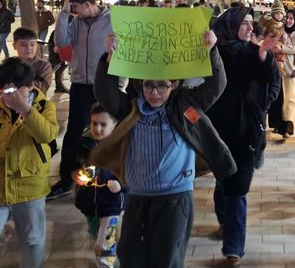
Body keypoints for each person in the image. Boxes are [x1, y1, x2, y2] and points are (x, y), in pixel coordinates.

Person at [92, 29, 233, 267]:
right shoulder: (131, 109)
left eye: (161, 87)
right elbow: (104, 91)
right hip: (137, 197)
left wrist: (211, 50)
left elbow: (217, 85)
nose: (154, 93)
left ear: (174, 85)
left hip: (175, 198)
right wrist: (109, 56)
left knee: (165, 260)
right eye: (148, 86)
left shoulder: (186, 105)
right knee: (130, 256)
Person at [0, 58, 59, 268]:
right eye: (3, 90)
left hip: (29, 188)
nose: (9, 97)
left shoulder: (44, 107)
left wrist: (25, 108)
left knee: (33, 242)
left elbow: (47, 134)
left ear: (30, 86)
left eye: (15, 91)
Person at [209, 7, 281, 265]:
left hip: (247, 130)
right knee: (222, 182)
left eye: (252, 23)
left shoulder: (253, 51)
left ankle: (233, 248)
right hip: (217, 129)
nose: (251, 28)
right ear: (231, 25)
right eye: (245, 23)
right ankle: (224, 220)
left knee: (237, 187)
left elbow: (270, 80)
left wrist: (264, 56)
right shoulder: (213, 50)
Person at [51, 0, 112, 199]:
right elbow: (60, 43)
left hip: (106, 83)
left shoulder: (112, 20)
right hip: (80, 83)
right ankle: (67, 178)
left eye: (75, 7)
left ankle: (108, 176)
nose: (73, 11)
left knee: (106, 130)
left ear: (88, 4)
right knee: (75, 130)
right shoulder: (75, 22)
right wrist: (64, 14)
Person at [73, 104, 125, 268]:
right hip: (91, 204)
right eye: (94, 123)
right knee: (98, 237)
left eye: (103, 124)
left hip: (112, 206)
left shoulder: (122, 146)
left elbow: (130, 174)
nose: (98, 129)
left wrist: (120, 184)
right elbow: (76, 166)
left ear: (115, 124)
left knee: (105, 244)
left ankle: (110, 262)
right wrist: (78, 175)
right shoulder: (85, 143)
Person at [274, 9, 295, 138]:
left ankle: (287, 127)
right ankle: (278, 125)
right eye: (287, 17)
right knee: (279, 99)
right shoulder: (280, 30)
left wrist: (282, 48)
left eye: (291, 18)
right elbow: (274, 43)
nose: (288, 20)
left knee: (291, 99)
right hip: (278, 67)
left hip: (293, 69)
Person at [12, 27, 54, 93]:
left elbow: (44, 87)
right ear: (14, 46)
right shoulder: (10, 64)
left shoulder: (43, 65)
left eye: (32, 44)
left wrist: (19, 83)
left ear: (37, 45)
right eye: (24, 45)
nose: (29, 48)